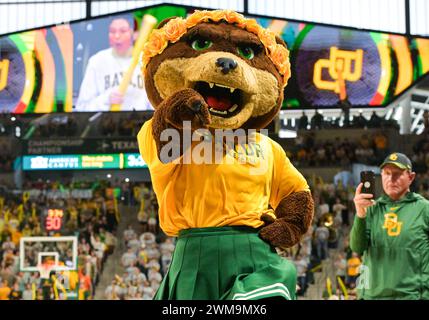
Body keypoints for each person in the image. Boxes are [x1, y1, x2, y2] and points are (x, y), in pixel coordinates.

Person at [351, 152, 429, 299]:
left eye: (397, 174)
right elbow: (357, 247)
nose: (391, 179)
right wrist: (360, 214)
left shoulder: (424, 209)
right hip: (372, 296)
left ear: (411, 177)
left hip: (411, 296)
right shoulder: (371, 209)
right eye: (386, 173)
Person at [75, 17, 152, 112]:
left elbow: (154, 106)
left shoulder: (146, 60)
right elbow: (82, 107)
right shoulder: (97, 61)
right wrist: (106, 99)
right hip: (106, 124)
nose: (117, 36)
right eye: (112, 31)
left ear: (135, 34)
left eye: (123, 31)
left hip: (141, 123)